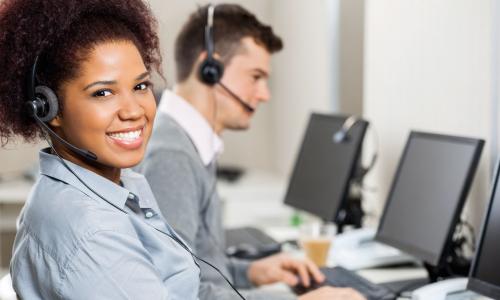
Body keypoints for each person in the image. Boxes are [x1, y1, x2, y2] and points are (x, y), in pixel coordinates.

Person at [138, 4, 365, 300]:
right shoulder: (171, 156)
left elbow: (198, 268)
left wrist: (250, 272)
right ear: (210, 70)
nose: (264, 94)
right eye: (255, 77)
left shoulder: (188, 142)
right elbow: (178, 293)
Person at [0, 0, 203, 298]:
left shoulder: (119, 185)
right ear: (49, 109)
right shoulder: (91, 233)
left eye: (140, 86)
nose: (133, 110)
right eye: (103, 92)